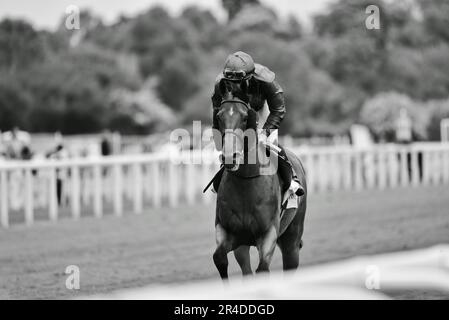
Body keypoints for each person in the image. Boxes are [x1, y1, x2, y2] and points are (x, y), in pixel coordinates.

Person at [210, 51, 304, 201]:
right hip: (237, 112)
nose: (235, 86)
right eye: (231, 82)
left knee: (268, 144)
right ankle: (221, 179)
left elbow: (278, 110)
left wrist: (264, 133)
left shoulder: (266, 81)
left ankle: (291, 179)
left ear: (250, 77)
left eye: (239, 82)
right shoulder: (220, 83)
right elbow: (218, 112)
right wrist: (221, 136)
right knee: (230, 147)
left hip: (261, 110)